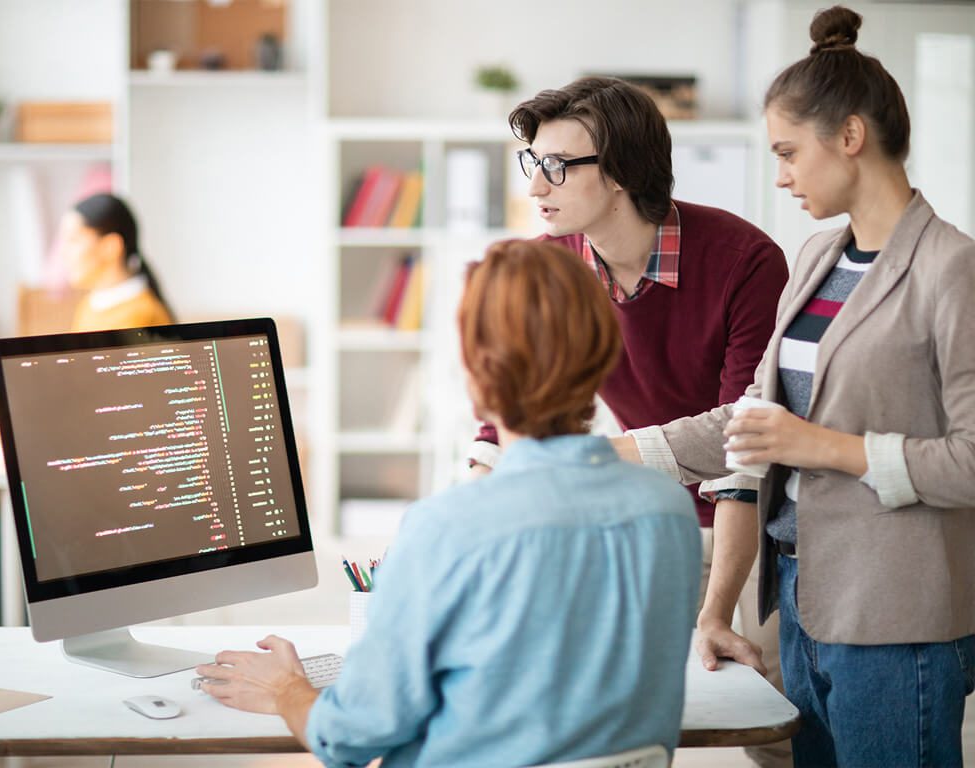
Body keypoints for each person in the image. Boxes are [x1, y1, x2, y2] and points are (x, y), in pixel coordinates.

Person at [615, 6, 975, 767]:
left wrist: (823, 447)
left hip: (896, 619)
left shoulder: (953, 269)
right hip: (799, 600)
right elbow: (755, 419)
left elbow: (971, 460)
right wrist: (616, 454)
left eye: (787, 152)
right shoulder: (815, 258)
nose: (779, 175)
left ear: (850, 136)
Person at [198, 239, 702, 767]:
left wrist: (286, 689)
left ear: (478, 377)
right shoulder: (669, 510)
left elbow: (348, 739)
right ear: (602, 360)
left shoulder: (447, 528)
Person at [469, 75, 793, 768]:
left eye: (558, 166)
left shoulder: (743, 260)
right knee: (622, 721)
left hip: (763, 515)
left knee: (773, 726)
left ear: (618, 172)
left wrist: (716, 610)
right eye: (534, 163)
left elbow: (744, 443)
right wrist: (471, 497)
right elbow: (512, 405)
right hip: (654, 513)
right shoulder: (554, 264)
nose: (536, 186)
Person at [58, 193, 174, 331]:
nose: (63, 252)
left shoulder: (141, 316)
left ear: (111, 246)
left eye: (74, 240)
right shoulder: (89, 306)